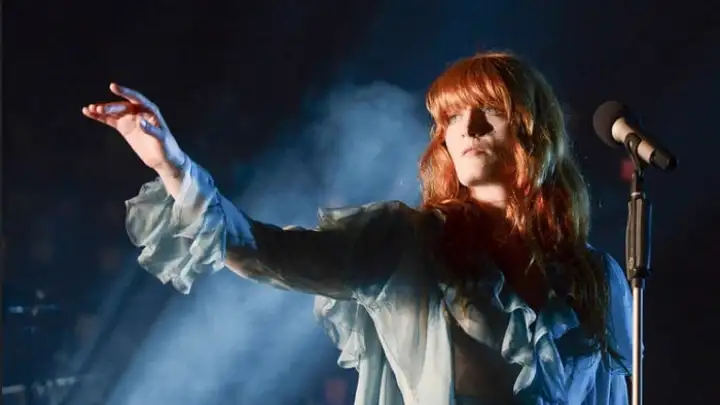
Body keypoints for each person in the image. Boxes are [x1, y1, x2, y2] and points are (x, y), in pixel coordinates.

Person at [82, 51, 633, 405]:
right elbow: (262, 250)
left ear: (533, 127)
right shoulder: (410, 242)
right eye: (449, 117)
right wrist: (174, 167)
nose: (466, 128)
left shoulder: (596, 276)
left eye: (487, 109)